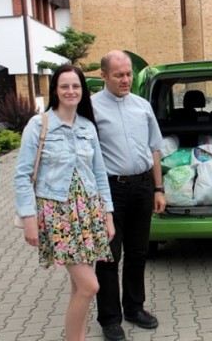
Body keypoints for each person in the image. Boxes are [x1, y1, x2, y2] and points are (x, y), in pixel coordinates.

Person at [14, 64, 115, 341]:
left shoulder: (87, 127)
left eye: (75, 86)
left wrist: (108, 215)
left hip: (88, 213)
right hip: (57, 215)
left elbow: (99, 173)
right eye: (64, 86)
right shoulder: (39, 125)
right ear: (55, 90)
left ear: (83, 90)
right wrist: (29, 220)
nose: (70, 91)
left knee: (78, 288)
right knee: (90, 286)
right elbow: (22, 175)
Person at [92, 50, 166, 341]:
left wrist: (158, 189)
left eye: (128, 74)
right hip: (109, 190)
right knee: (109, 256)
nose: (125, 80)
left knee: (138, 252)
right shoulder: (91, 108)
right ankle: (110, 320)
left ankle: (134, 308)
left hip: (142, 188)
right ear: (104, 76)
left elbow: (154, 149)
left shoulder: (142, 106)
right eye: (118, 75)